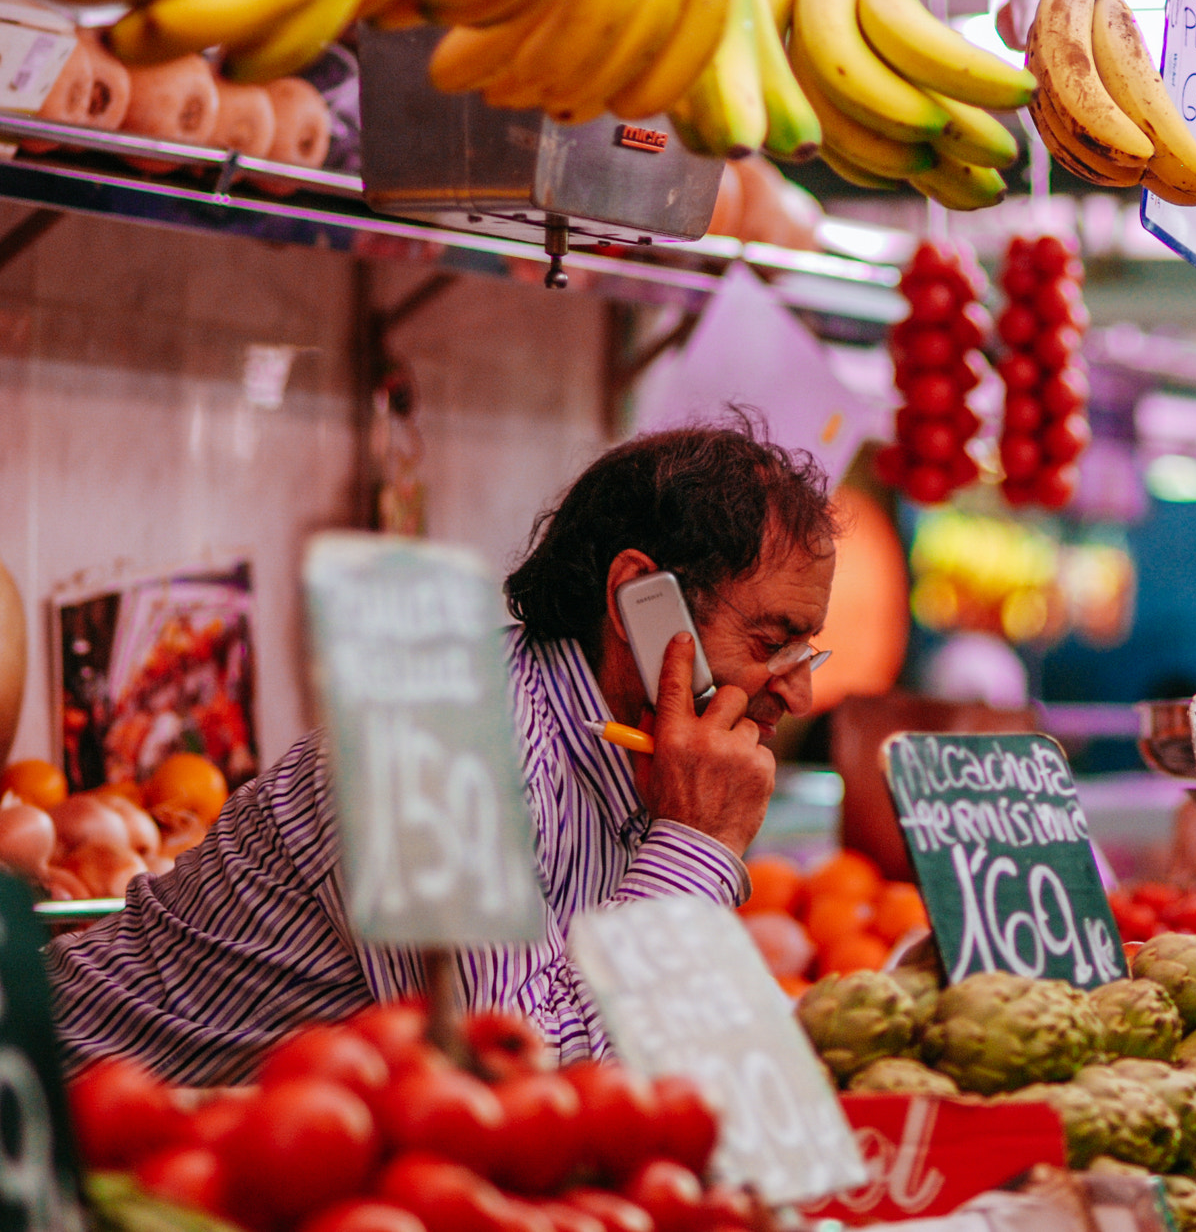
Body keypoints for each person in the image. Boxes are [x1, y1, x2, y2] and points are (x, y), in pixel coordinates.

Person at [49, 419, 838, 1084]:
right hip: (58, 1128)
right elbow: (504, 1083)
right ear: (642, 600)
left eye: (808, 651)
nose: (798, 695)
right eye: (773, 642)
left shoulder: (642, 765)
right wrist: (693, 851)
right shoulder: (450, 746)